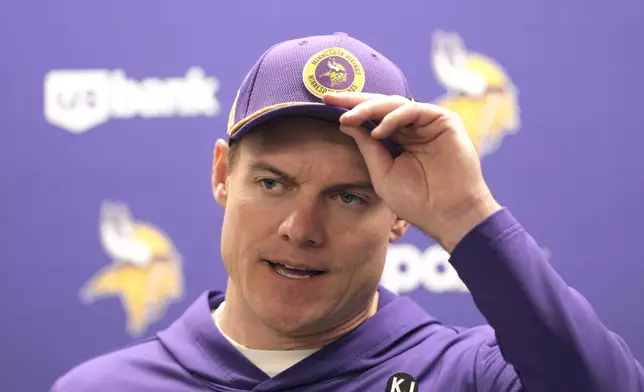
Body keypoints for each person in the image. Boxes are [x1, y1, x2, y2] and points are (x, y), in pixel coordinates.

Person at [52, 32, 644, 392]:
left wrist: (466, 211)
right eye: (273, 183)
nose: (301, 229)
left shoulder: (469, 376)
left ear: (399, 214)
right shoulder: (100, 387)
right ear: (221, 175)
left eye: (349, 196)